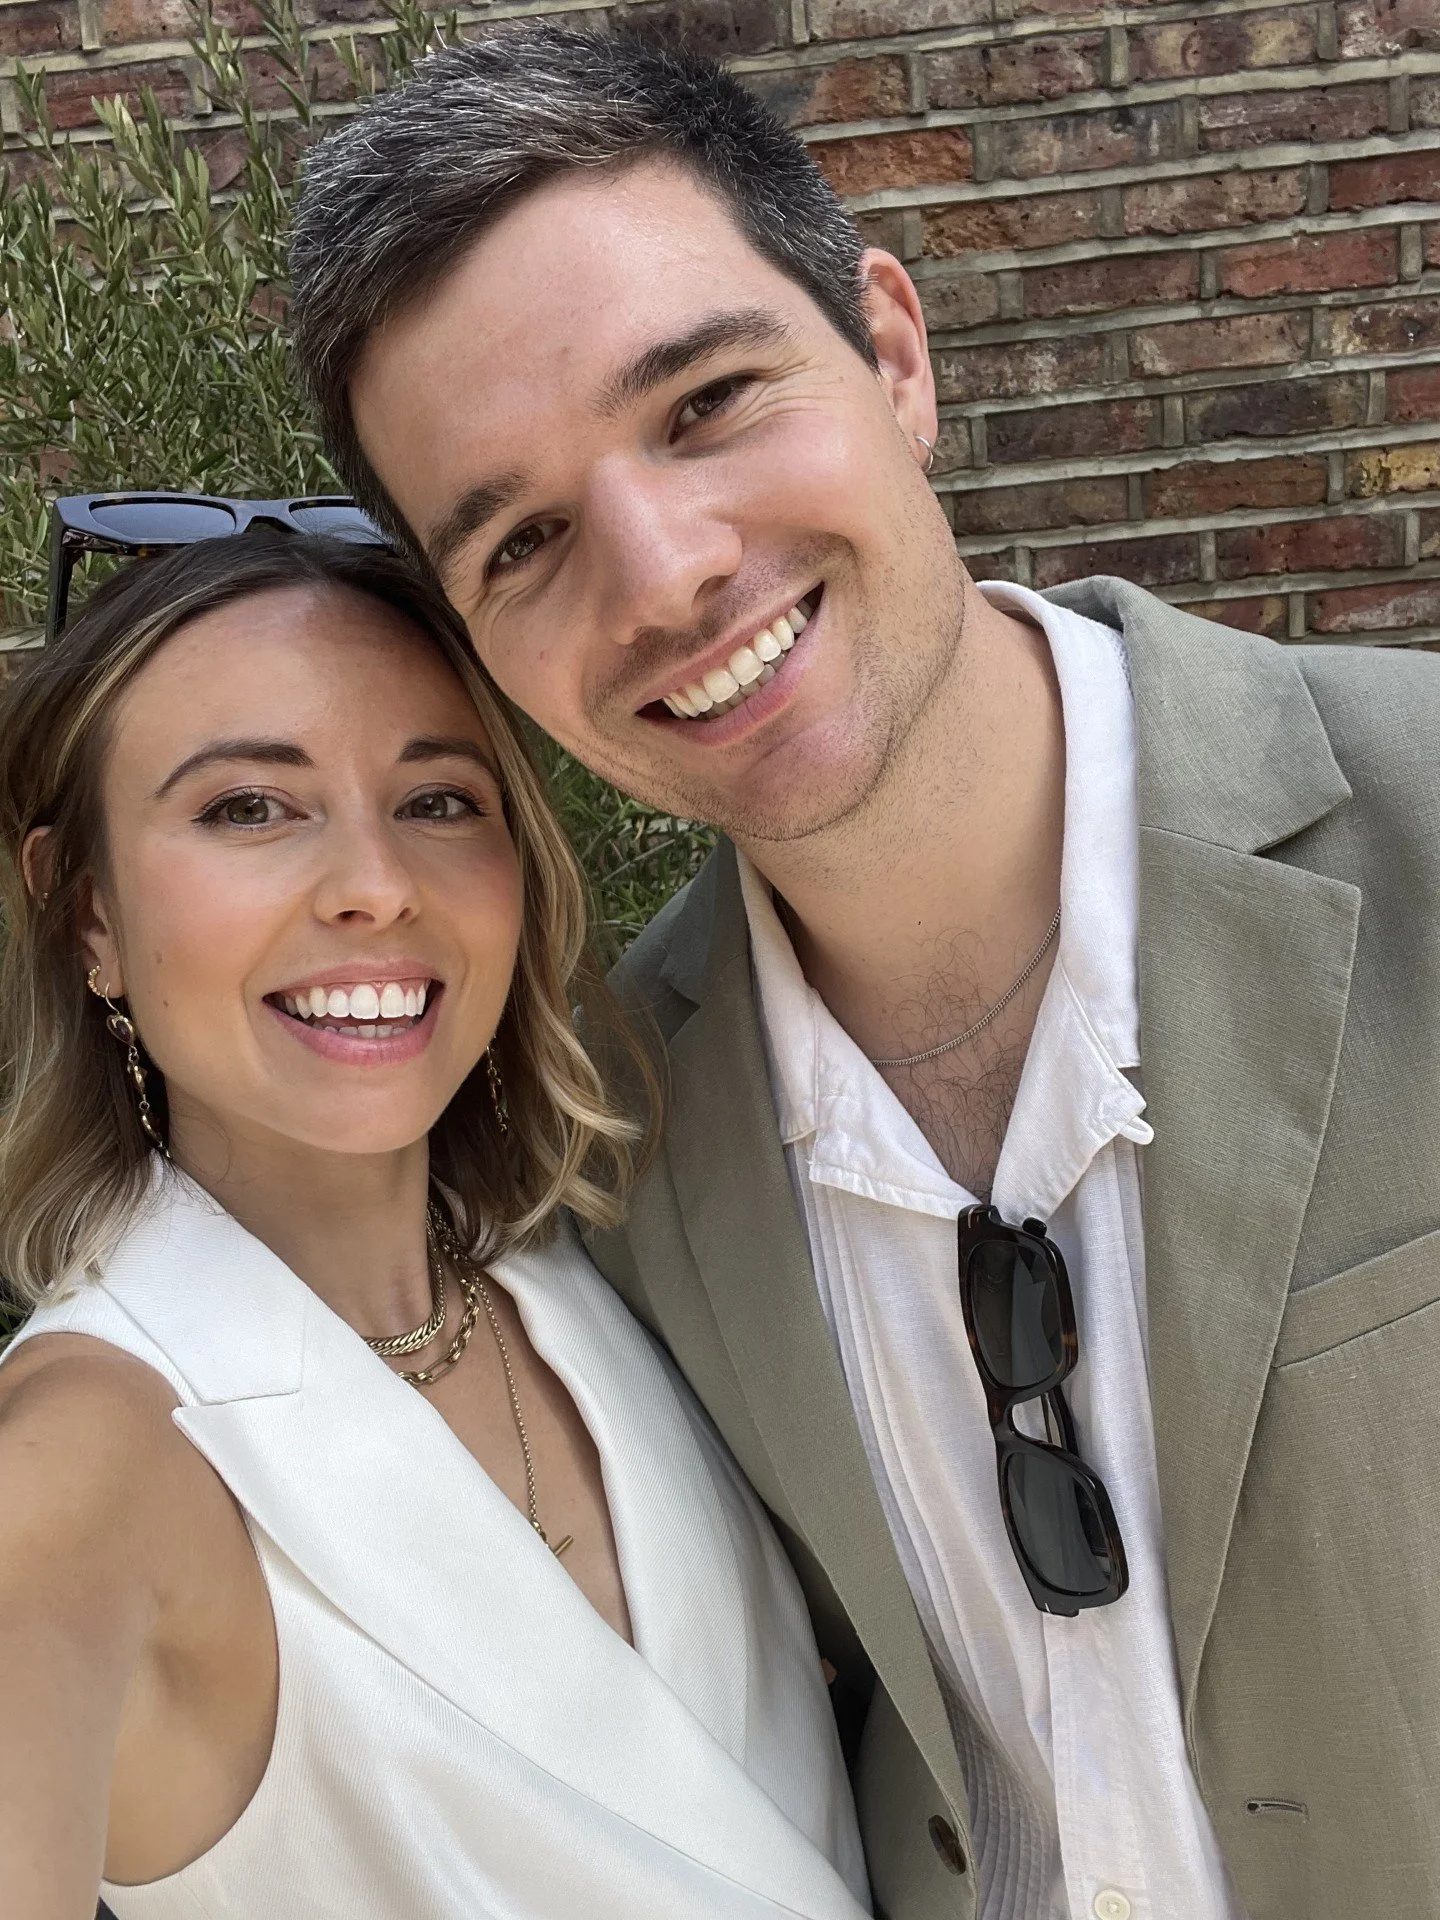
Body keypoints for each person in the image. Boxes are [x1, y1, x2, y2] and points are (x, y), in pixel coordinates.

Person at [285, 24, 1440, 1920]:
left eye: (706, 403)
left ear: (893, 354)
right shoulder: (595, 1153)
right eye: (525, 540)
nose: (664, 574)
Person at [0, 528, 872, 1920]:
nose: (377, 883)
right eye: (248, 808)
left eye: (439, 800)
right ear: (88, 914)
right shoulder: (81, 1463)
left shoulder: (589, 1265)